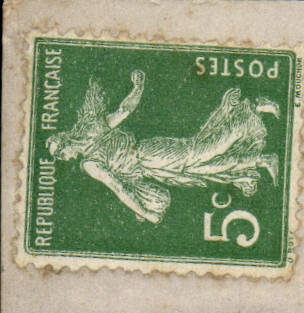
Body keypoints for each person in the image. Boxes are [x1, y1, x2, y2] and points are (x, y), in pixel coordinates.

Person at [48, 70, 281, 225]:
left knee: (202, 152)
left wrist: (146, 213)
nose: (63, 158)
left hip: (149, 155)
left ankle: (251, 108)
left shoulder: (90, 162)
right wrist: (138, 87)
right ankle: (261, 160)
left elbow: (118, 188)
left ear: (65, 143)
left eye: (60, 154)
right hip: (151, 165)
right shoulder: (94, 133)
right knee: (203, 167)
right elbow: (124, 111)